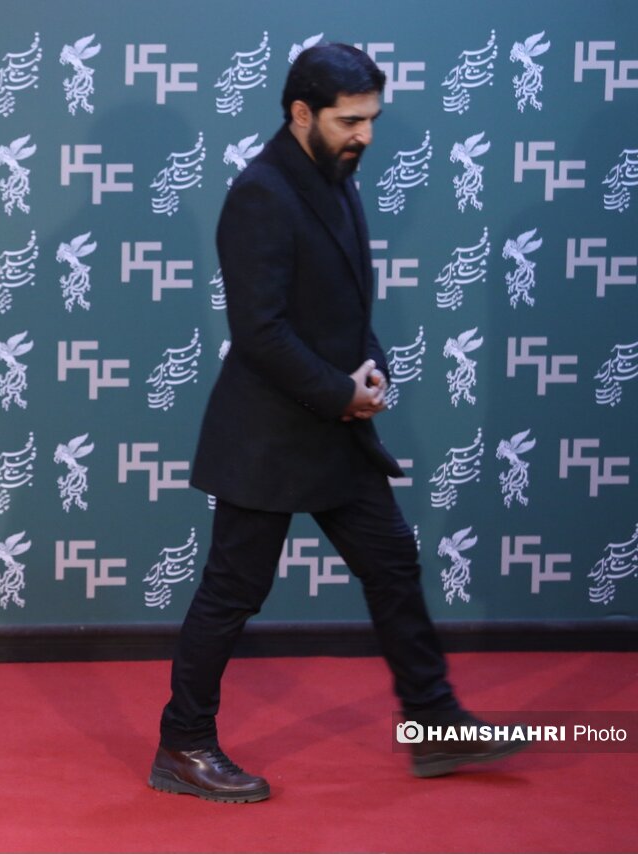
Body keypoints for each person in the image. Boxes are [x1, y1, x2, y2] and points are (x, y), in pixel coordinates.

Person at [148, 43, 526, 803]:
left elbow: (340, 306)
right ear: (301, 113)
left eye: (371, 118)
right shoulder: (261, 193)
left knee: (391, 563)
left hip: (331, 427)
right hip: (266, 437)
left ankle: (433, 719)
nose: (365, 135)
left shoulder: (333, 176)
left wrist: (369, 368)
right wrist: (340, 392)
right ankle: (183, 745)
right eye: (350, 120)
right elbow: (260, 332)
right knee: (233, 592)